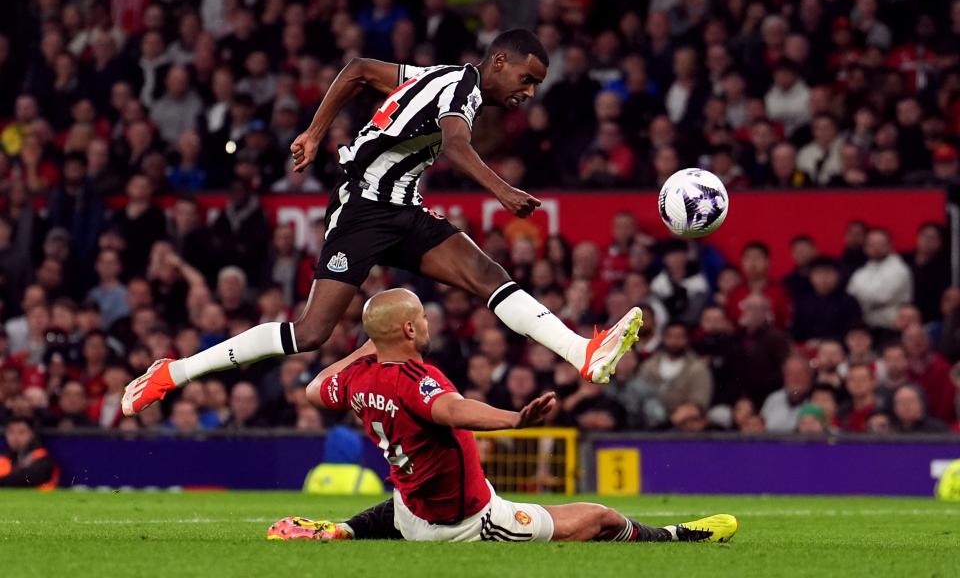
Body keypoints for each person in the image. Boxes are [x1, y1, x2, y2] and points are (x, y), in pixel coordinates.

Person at [123, 30, 643, 417]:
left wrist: (315, 131)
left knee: (489, 276)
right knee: (310, 333)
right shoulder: (461, 93)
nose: (529, 92)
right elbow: (457, 144)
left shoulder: (434, 77)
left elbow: (357, 70)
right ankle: (174, 372)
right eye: (526, 79)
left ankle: (583, 351)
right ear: (499, 61)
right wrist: (503, 192)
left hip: (403, 208)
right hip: (361, 210)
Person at [267, 288, 737, 543]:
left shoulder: (356, 380)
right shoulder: (414, 377)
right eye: (424, 320)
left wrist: (366, 347)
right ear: (409, 329)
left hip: (414, 510)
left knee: (403, 509)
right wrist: (515, 421)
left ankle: (343, 530)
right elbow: (454, 408)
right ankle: (677, 537)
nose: (430, 326)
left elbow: (313, 389)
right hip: (468, 521)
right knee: (599, 518)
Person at [0, 417, 59, 488]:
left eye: (21, 432)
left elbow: (28, 479)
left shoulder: (41, 456)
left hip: (42, 497)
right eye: (11, 432)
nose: (15, 437)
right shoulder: (5, 457)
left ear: (31, 434)